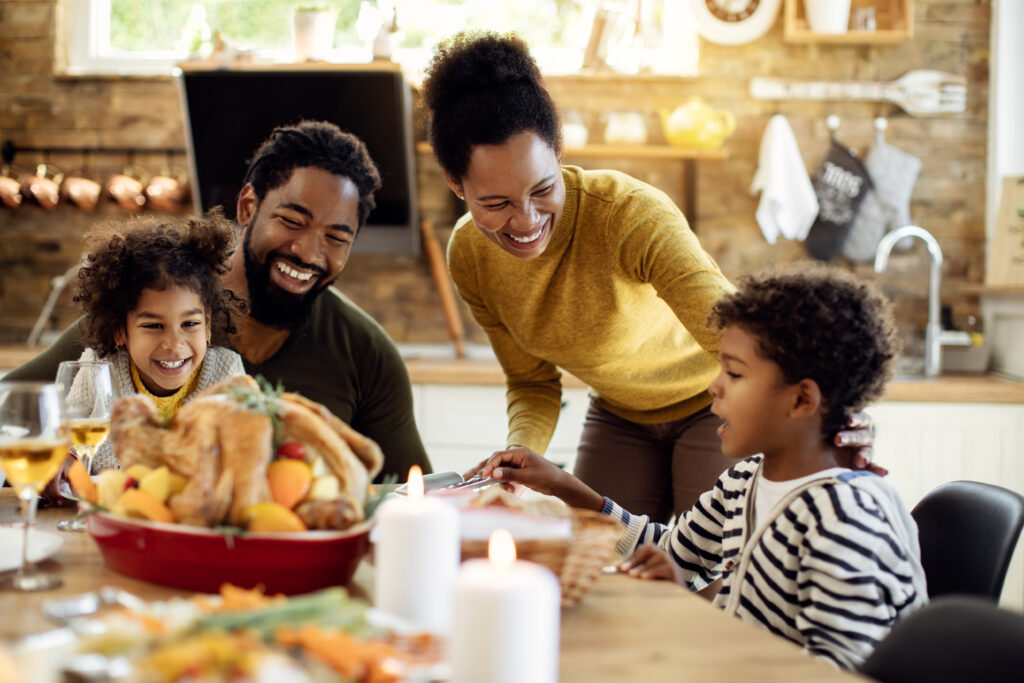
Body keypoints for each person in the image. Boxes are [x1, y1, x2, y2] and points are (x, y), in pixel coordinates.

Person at [421, 31, 873, 522]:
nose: (527, 220)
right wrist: (514, 462)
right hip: (619, 415)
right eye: (496, 203)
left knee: (702, 575)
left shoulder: (628, 215)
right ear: (455, 183)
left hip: (715, 402)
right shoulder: (468, 255)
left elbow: (735, 333)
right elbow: (531, 383)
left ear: (558, 151)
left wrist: (830, 411)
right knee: (601, 555)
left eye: (542, 189)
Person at [477, 266, 927, 671]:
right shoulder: (745, 479)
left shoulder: (842, 519)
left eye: (734, 373)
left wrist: (687, 620)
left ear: (801, 400)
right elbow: (675, 553)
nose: (713, 387)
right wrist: (562, 486)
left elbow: (834, 671)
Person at [6, 121, 431, 481]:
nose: (308, 252)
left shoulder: (366, 353)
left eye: (337, 237)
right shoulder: (149, 310)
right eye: (291, 221)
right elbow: (12, 409)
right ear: (248, 206)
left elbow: (417, 489)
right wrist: (55, 464)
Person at [70, 213, 246, 472]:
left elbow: (248, 449)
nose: (175, 345)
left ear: (207, 325)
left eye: (190, 324)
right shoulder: (97, 370)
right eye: (153, 326)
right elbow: (60, 436)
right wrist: (66, 459)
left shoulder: (227, 375)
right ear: (120, 329)